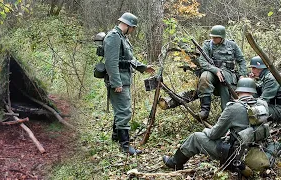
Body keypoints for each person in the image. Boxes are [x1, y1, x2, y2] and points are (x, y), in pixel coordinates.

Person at [162, 78, 268, 171]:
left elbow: (214, 134)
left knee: (195, 138)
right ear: (253, 91)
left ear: (238, 90)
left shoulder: (233, 107)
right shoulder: (262, 105)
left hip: (236, 154)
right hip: (257, 150)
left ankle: (175, 163)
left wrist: (205, 130)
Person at [104, 12, 155, 155]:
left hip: (124, 78)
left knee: (120, 109)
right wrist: (116, 83)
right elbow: (111, 62)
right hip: (118, 79)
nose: (133, 31)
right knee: (125, 111)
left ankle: (115, 137)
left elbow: (129, 59)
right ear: (126, 25)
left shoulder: (122, 37)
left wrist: (143, 67)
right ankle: (125, 147)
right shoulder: (114, 36)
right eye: (132, 28)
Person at [197, 25, 247, 120]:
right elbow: (202, 61)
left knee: (225, 84)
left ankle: (226, 114)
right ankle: (204, 110)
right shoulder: (208, 45)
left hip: (228, 72)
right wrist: (216, 70)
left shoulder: (232, 45)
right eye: (212, 36)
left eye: (216, 37)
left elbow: (241, 60)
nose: (213, 39)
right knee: (204, 78)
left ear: (222, 37)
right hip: (212, 70)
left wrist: (242, 75)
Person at [249, 56, 281, 123]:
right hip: (274, 106)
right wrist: (251, 82)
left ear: (261, 68)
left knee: (253, 111)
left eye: (254, 68)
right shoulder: (265, 77)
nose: (252, 71)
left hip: (278, 108)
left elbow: (263, 101)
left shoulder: (271, 78)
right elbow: (257, 93)